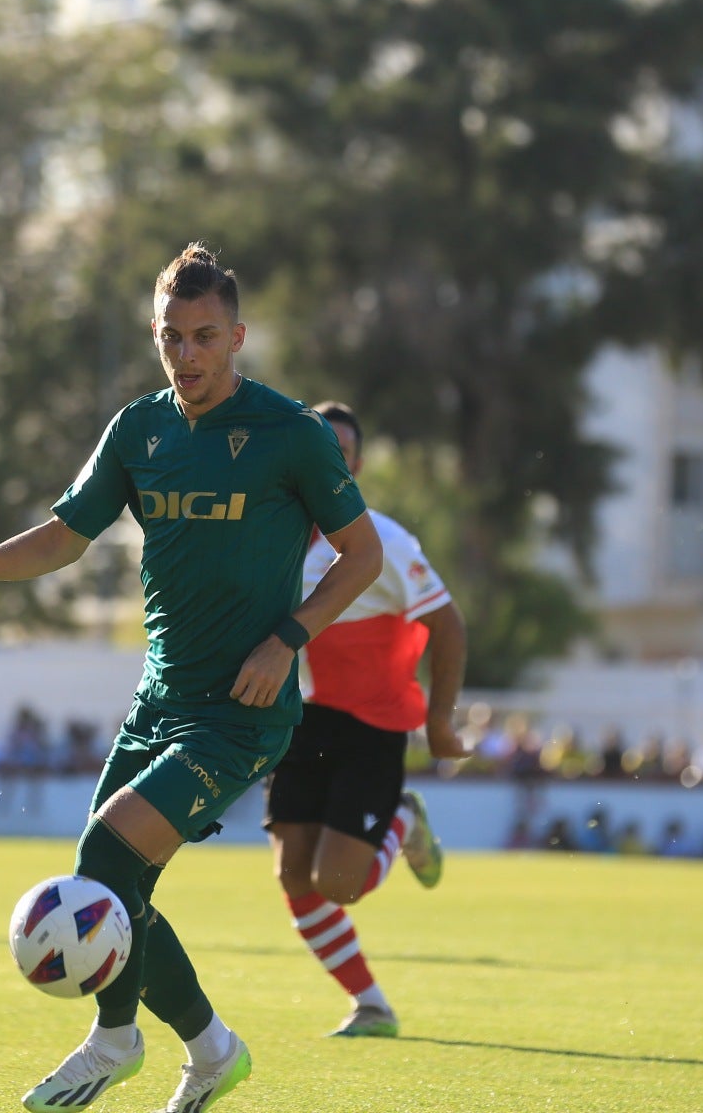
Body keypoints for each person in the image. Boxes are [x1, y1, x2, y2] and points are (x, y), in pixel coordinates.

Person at [0, 245, 381, 1113]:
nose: (188, 355)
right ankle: (212, 1051)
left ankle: (116, 1041)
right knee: (112, 890)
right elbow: (65, 536)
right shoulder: (140, 429)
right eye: (171, 337)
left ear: (238, 336)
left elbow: (363, 556)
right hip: (158, 700)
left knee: (101, 858)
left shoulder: (293, 434)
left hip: (243, 715)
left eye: (206, 336)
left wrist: (287, 638)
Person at [263, 399, 468, 1041]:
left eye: (343, 450)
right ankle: (371, 1005)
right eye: (321, 446)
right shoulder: (272, 539)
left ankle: (403, 817)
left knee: (339, 884)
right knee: (294, 876)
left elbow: (449, 625)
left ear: (355, 464)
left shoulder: (386, 539)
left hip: (373, 726)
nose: (333, 458)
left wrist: (439, 724)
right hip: (301, 721)